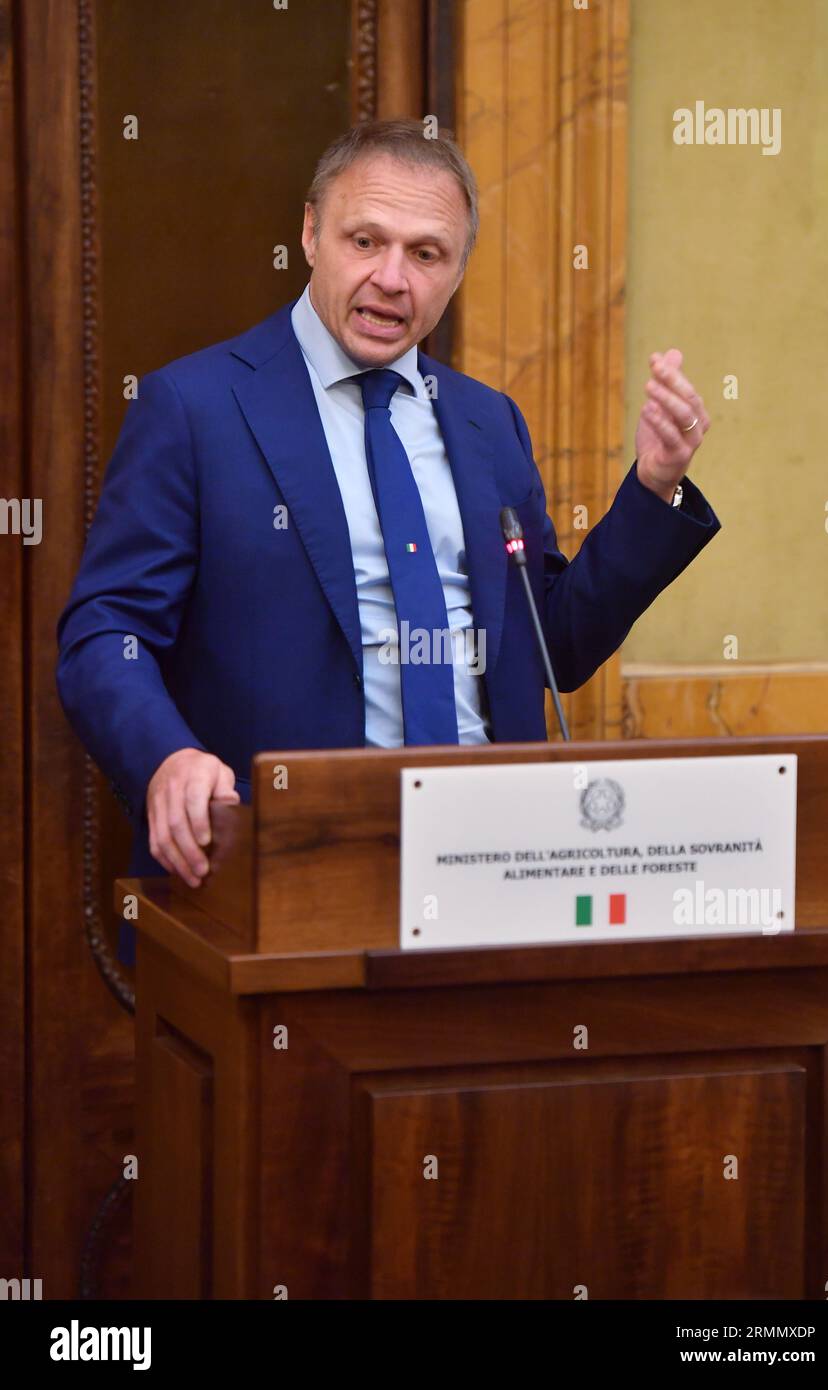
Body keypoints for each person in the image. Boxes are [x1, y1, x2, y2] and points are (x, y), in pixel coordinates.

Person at [56, 118, 720, 965]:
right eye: (364, 240)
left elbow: (547, 646)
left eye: (427, 253)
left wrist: (652, 487)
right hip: (286, 867)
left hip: (496, 868)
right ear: (308, 232)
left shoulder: (488, 422)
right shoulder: (193, 409)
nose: (391, 279)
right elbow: (103, 633)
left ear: (458, 270)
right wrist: (167, 756)